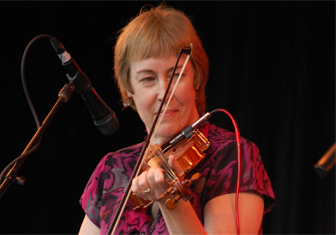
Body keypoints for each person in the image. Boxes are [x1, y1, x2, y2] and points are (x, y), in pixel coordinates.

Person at [79, 4, 275, 235]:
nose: (164, 91)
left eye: (176, 75)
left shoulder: (232, 156)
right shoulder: (114, 169)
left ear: (197, 78)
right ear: (129, 91)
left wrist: (171, 199)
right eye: (148, 79)